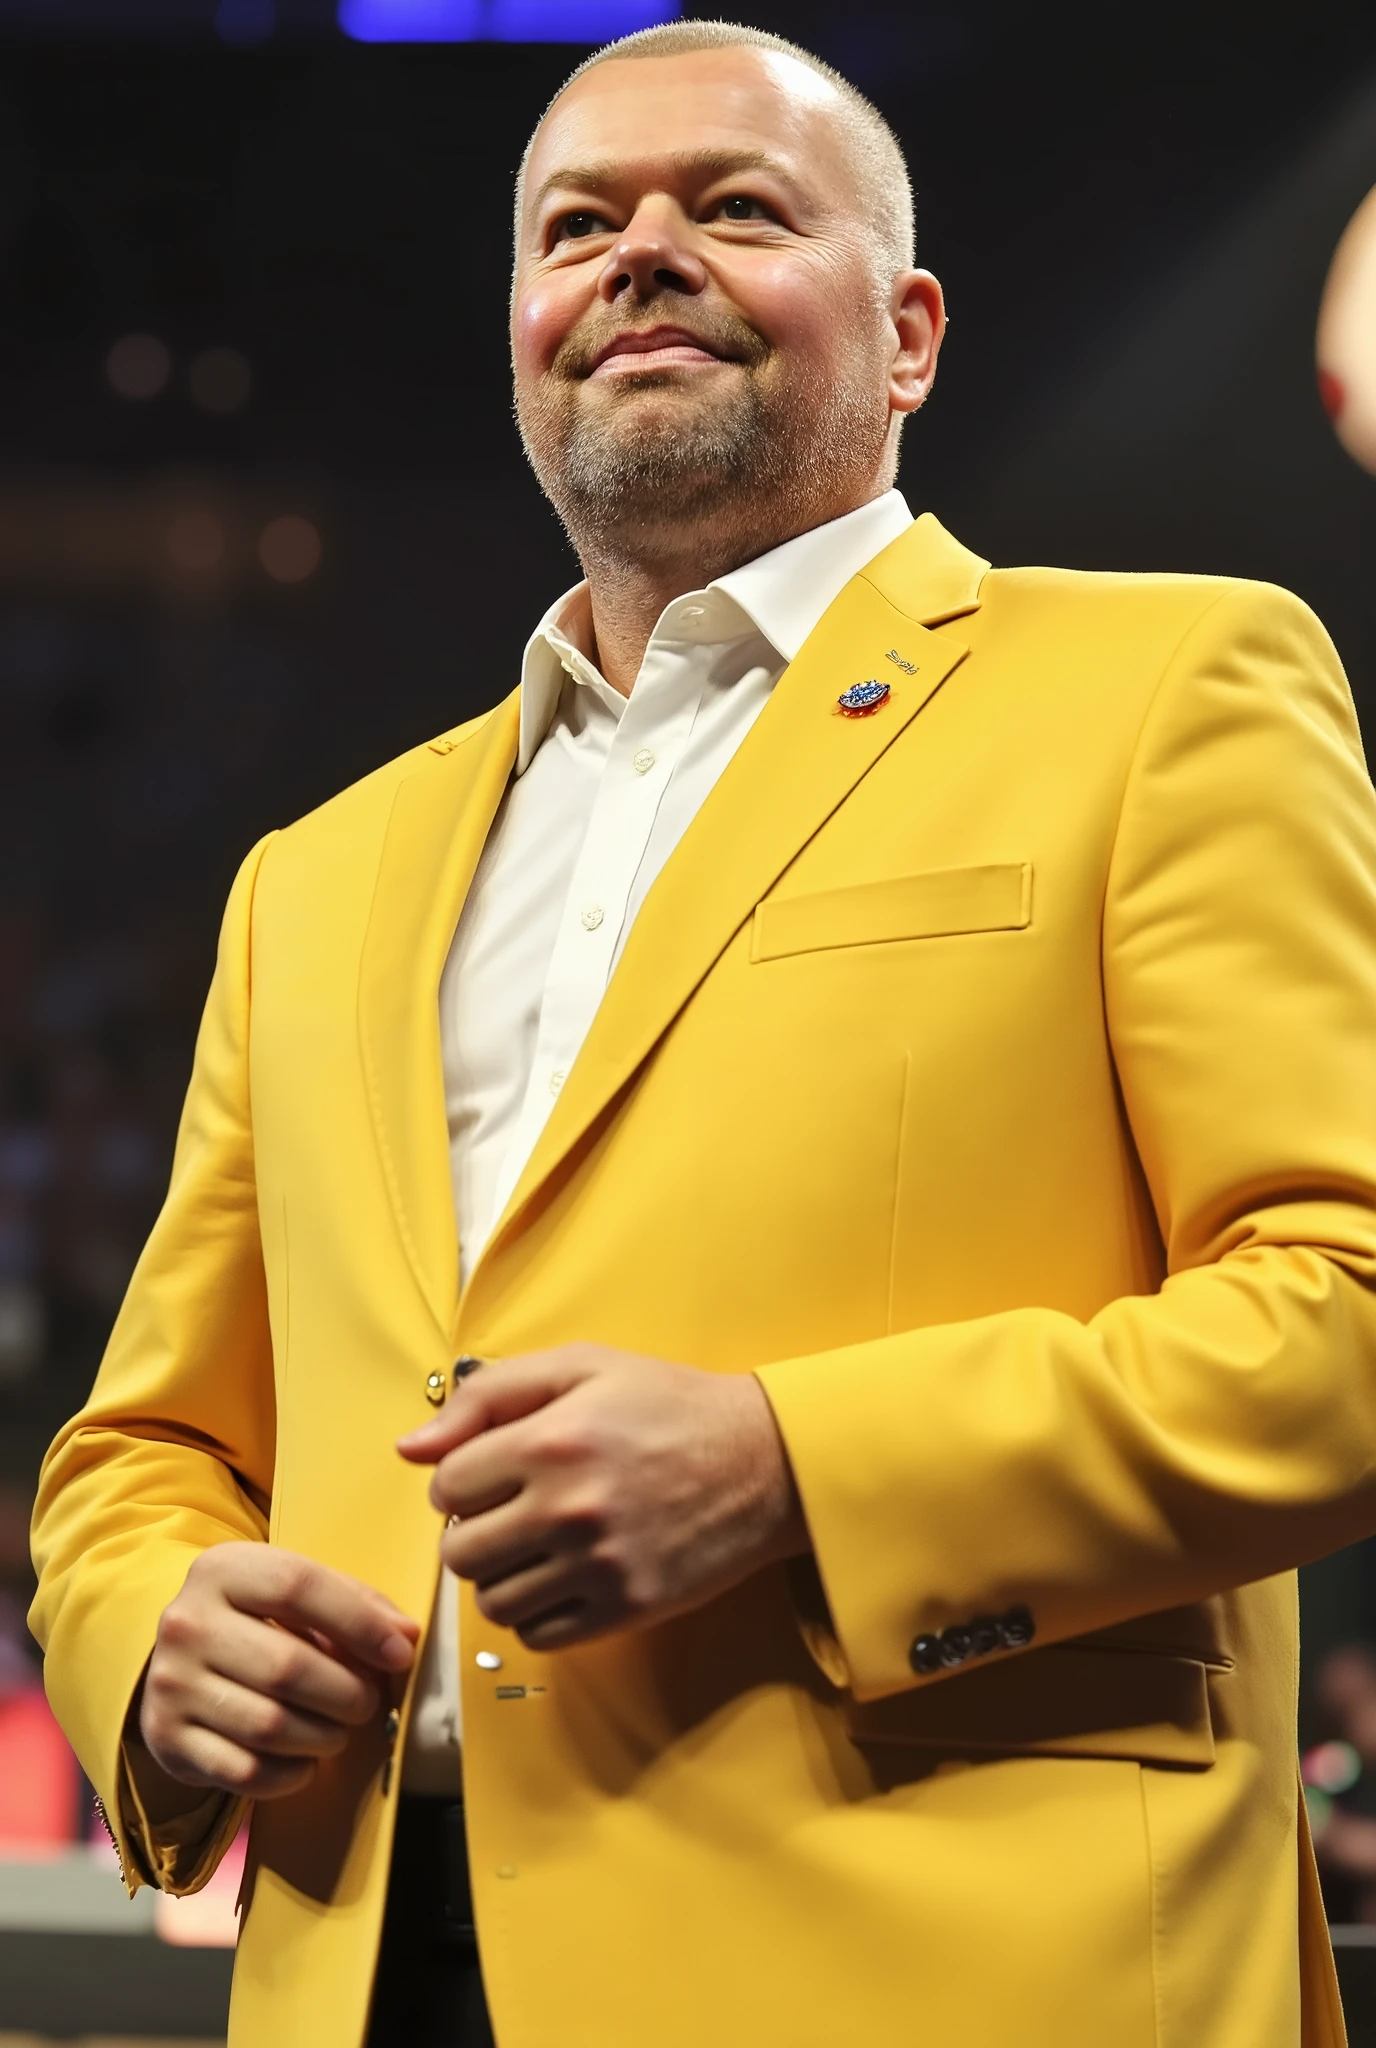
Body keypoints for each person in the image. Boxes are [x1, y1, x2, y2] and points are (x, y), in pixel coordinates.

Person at [28, 19, 1376, 2048]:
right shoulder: (317, 869)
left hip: (954, 1972)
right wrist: (150, 1640)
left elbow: (1346, 1309)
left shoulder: (1169, 686)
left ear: (908, 333)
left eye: (735, 208)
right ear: (520, 337)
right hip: (377, 1966)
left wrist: (789, 1466)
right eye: (576, 226)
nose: (640, 252)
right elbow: (151, 1450)